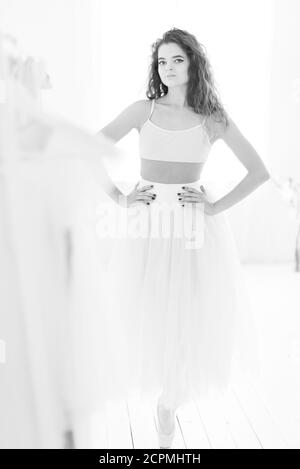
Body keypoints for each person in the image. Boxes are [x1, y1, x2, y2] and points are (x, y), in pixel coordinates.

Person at [96, 28, 270, 449]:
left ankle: (170, 400)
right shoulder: (143, 111)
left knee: (190, 311)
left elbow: (259, 171)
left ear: (193, 63)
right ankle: (164, 397)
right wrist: (120, 197)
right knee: (149, 308)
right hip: (148, 224)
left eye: (177, 59)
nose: (168, 68)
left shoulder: (212, 117)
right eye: (162, 61)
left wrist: (213, 206)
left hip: (193, 227)